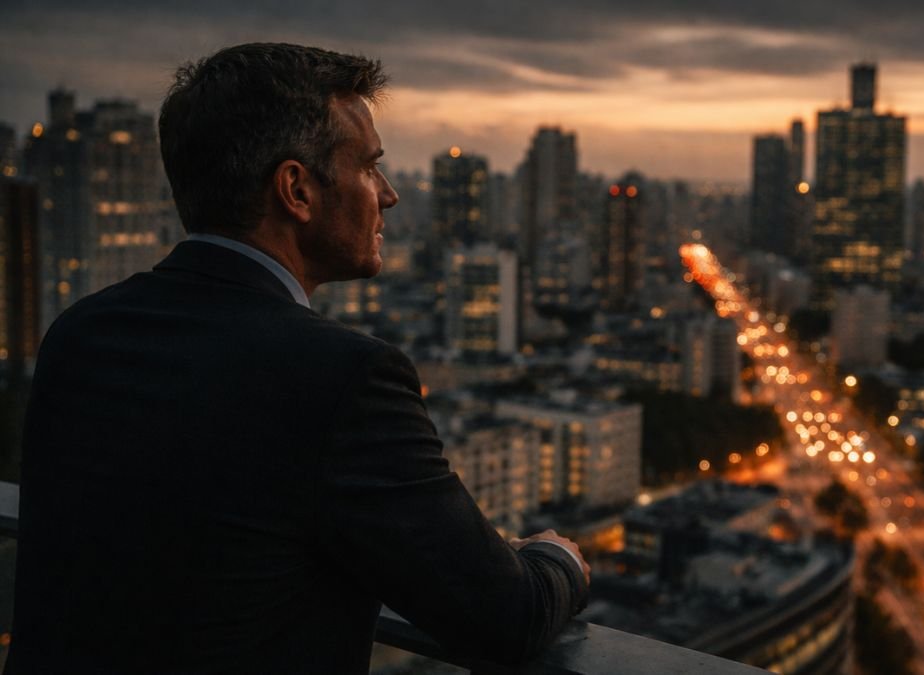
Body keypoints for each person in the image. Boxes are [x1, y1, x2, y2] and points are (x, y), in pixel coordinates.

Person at [7, 43, 589, 674]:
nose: (389, 195)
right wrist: (556, 559)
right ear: (297, 190)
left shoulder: (81, 334)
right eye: (370, 168)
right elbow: (504, 615)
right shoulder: (341, 377)